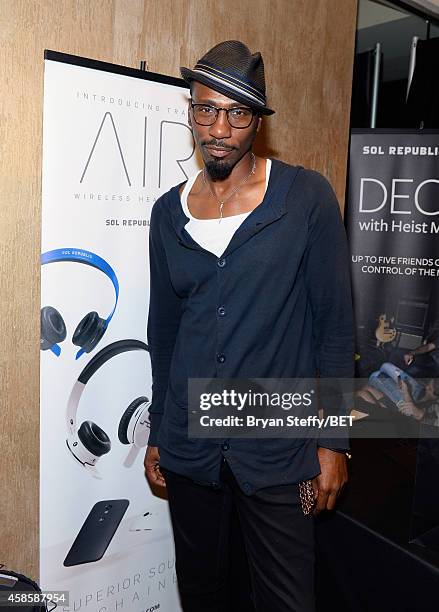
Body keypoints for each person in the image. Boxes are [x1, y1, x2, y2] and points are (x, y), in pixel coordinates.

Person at [144, 40, 355, 612]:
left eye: (237, 113)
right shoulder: (168, 214)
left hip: (277, 444)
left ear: (257, 122)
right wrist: (160, 429)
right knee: (205, 593)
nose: (218, 128)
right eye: (205, 109)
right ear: (191, 110)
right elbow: (163, 334)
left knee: (287, 599)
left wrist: (334, 441)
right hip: (190, 443)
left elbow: (335, 328)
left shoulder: (305, 198)